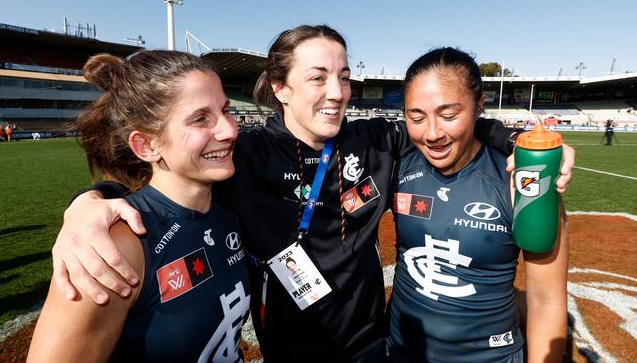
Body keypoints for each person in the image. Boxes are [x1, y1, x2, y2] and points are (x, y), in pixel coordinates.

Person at [50, 26, 574, 362]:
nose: (337, 91)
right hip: (293, 353)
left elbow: (449, 123)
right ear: (280, 89)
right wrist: (89, 205)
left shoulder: (377, 141)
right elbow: (163, 184)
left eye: (344, 76)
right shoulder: (242, 156)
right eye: (318, 77)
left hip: (375, 348)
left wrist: (526, 144)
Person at [27, 50, 250, 362]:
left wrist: (84, 199)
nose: (229, 130)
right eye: (201, 119)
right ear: (146, 145)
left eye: (225, 111)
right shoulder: (110, 248)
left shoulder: (228, 209)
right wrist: (81, 206)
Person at [387, 47, 568, 362]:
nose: (432, 134)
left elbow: (545, 300)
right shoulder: (398, 167)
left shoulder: (523, 182)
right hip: (399, 352)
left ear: (478, 107)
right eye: (416, 117)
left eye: (449, 115)